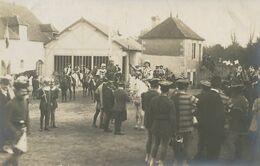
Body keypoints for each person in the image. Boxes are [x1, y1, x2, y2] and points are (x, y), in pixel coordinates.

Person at [196, 76, 225, 161]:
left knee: (205, 148)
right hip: (216, 128)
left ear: (211, 84)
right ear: (219, 84)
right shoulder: (219, 97)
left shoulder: (204, 96)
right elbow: (222, 115)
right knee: (214, 152)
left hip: (204, 127)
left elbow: (197, 110)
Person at [3, 76, 30, 166]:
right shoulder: (10, 104)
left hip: (22, 131)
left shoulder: (25, 101)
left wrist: (28, 128)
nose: (24, 93)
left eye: (25, 92)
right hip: (13, 132)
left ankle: (5, 164)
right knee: (16, 153)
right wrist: (14, 131)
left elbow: (27, 115)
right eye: (22, 92)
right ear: (16, 92)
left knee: (20, 151)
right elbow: (6, 121)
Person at [170, 78, 197, 166]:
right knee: (187, 145)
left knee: (177, 145)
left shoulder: (173, 98)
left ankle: (176, 162)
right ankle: (185, 163)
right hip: (188, 126)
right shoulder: (190, 98)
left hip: (176, 127)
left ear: (178, 86)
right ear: (186, 87)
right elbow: (198, 107)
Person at [149, 80, 176, 166]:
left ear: (160, 89)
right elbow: (172, 117)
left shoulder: (154, 100)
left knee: (156, 143)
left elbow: (150, 113)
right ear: (168, 90)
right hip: (166, 125)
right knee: (164, 144)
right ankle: (161, 162)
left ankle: (152, 161)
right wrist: (173, 128)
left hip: (156, 123)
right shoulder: (170, 102)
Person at [226, 82, 249, 161]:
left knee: (230, 141)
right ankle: (239, 157)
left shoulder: (234, 100)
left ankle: (232, 158)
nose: (232, 92)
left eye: (233, 90)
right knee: (239, 141)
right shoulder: (245, 99)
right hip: (242, 123)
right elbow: (246, 111)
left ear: (236, 91)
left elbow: (229, 109)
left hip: (234, 123)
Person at [141, 78, 160, 163]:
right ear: (157, 86)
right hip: (155, 119)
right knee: (156, 140)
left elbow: (143, 108)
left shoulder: (144, 94)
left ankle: (147, 156)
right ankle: (153, 158)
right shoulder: (158, 95)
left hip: (147, 118)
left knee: (149, 138)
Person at [195, 80, 211, 159]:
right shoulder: (212, 96)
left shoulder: (198, 96)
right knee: (208, 137)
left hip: (200, 120)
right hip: (210, 120)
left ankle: (200, 153)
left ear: (202, 88)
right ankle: (206, 153)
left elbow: (195, 108)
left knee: (201, 137)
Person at [0, 76, 12, 152]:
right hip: (1, 115)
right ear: (1, 84)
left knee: (5, 131)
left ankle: (3, 146)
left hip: (6, 116)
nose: (6, 86)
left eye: (7, 85)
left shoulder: (8, 93)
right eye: (4, 85)